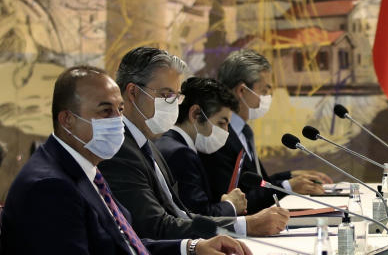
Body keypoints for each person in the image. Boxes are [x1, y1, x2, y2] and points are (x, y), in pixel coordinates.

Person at [0, 66, 253, 255]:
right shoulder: (50, 186)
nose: (117, 121)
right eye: (105, 111)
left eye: (120, 110)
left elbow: (123, 247)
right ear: (67, 120)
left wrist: (191, 248)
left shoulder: (85, 166)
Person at [99, 47, 289, 240]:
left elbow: (181, 214)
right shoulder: (119, 150)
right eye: (167, 95)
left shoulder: (149, 146)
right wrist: (244, 226)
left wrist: (240, 226)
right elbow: (154, 226)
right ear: (133, 92)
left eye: (176, 95)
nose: (174, 104)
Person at [202, 49, 329, 214]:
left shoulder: (243, 131)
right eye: (264, 90)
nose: (269, 96)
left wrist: (290, 176)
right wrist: (288, 186)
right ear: (242, 91)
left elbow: (259, 183)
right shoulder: (219, 136)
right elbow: (236, 199)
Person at [155, 77, 248, 217]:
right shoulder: (181, 154)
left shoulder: (166, 142)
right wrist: (231, 205)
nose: (226, 132)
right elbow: (200, 216)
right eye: (221, 123)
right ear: (196, 114)